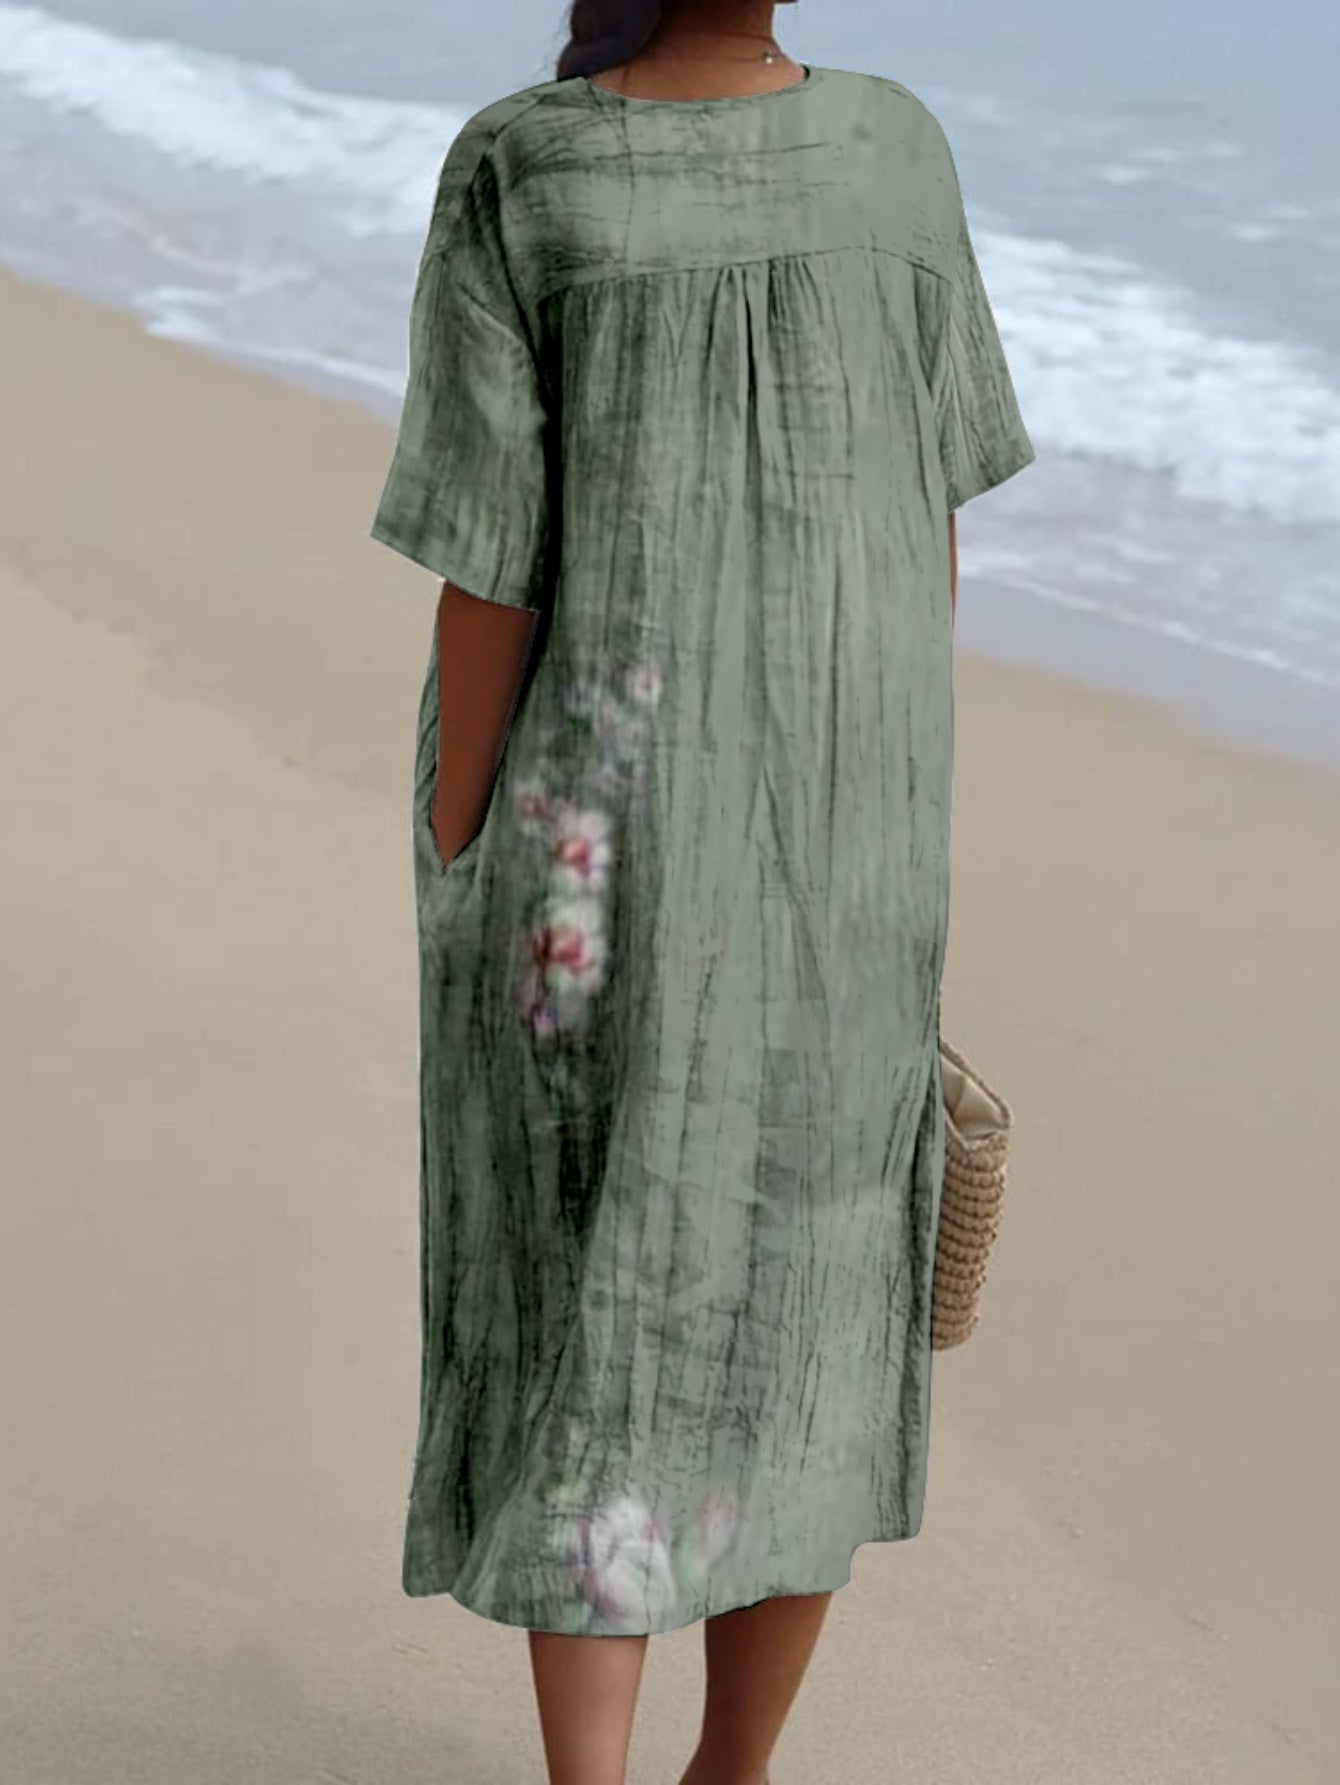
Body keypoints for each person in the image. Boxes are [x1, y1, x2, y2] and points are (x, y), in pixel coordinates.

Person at [368, 1, 1036, 1780]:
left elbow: (490, 563)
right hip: (852, 837)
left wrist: (454, 835)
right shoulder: (893, 148)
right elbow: (930, 526)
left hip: (596, 847)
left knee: (599, 1290)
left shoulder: (529, 161)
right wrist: (885, 798)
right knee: (803, 1310)